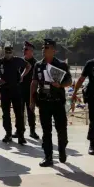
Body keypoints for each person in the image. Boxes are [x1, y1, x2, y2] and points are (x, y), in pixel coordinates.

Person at [30, 38, 72, 167]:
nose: (43, 50)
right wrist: (31, 101)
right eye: (43, 48)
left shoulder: (61, 65)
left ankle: (62, 150)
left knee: (61, 129)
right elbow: (34, 83)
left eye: (46, 48)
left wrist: (60, 85)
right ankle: (48, 157)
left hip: (58, 102)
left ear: (54, 50)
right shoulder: (38, 65)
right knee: (46, 131)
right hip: (44, 102)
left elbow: (69, 82)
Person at [0, 43, 32, 144]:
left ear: (12, 51)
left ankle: (20, 135)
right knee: (6, 114)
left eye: (10, 51)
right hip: (5, 90)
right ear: (4, 51)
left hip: (16, 90)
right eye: (6, 51)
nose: (8, 53)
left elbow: (28, 66)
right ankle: (8, 134)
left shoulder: (18, 60)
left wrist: (22, 75)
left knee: (19, 114)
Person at [21, 41, 39, 139]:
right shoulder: (20, 62)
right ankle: (19, 130)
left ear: (31, 51)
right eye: (23, 49)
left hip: (31, 92)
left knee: (31, 112)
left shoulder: (36, 64)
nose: (24, 51)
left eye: (26, 49)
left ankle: (32, 130)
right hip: (20, 91)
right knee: (19, 112)